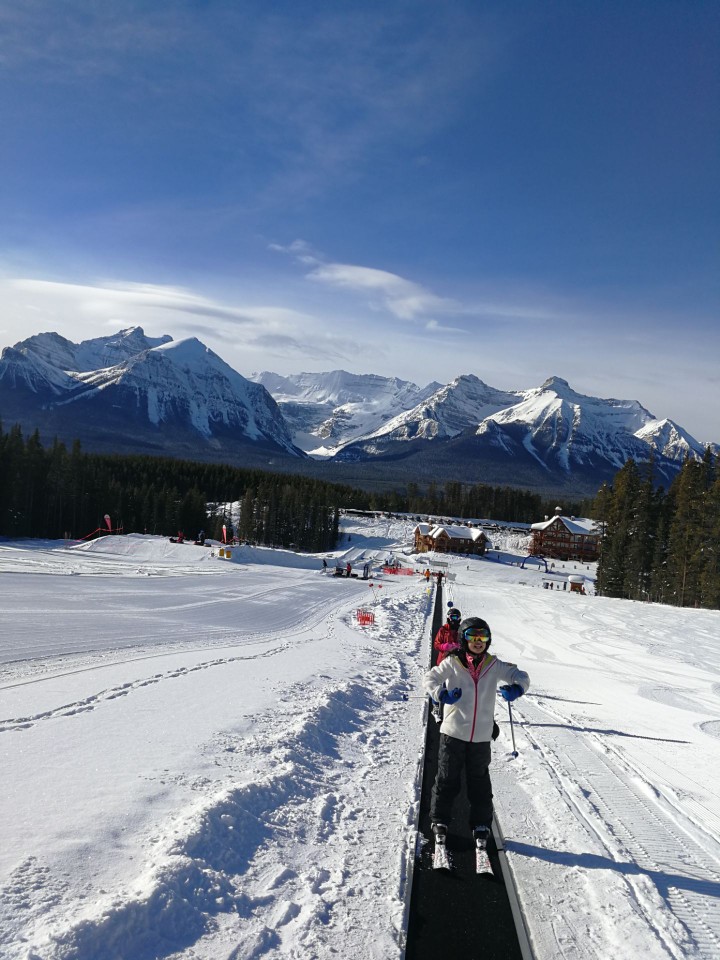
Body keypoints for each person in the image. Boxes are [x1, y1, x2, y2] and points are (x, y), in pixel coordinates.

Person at [422, 616, 529, 850]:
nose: (478, 641)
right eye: (473, 637)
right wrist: (441, 694)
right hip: (452, 733)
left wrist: (517, 688)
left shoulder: (493, 664)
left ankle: (481, 823)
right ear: (463, 638)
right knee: (447, 778)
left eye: (483, 637)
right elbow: (430, 678)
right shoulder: (452, 663)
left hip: (481, 737)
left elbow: (521, 675)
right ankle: (439, 819)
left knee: (479, 782)